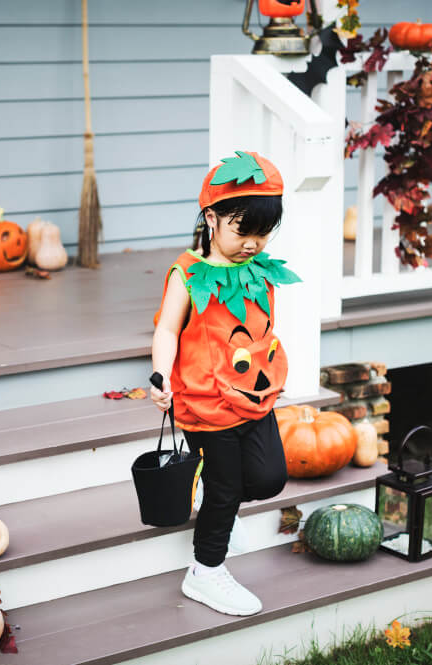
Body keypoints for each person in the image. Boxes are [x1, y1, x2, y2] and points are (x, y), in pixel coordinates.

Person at [150, 151, 299, 616]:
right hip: (204, 404)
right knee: (225, 485)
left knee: (270, 477)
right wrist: (160, 377)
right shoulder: (188, 273)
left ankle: (219, 497)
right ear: (212, 218)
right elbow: (167, 329)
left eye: (263, 232)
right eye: (243, 230)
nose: (254, 243)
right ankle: (205, 570)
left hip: (255, 396)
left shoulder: (258, 268)